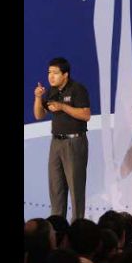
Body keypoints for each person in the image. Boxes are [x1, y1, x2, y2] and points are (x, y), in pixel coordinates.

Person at [34, 57, 91, 222]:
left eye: (55, 73)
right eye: (49, 73)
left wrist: (63, 107)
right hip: (56, 142)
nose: (51, 76)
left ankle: (77, 227)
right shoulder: (52, 91)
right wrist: (38, 97)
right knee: (56, 187)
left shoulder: (77, 89)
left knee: (75, 187)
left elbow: (86, 115)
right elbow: (39, 115)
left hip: (74, 142)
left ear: (65, 75)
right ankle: (57, 229)